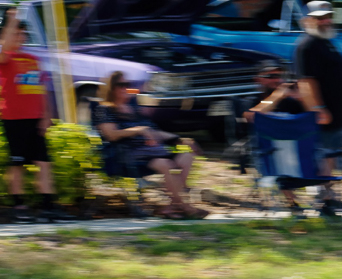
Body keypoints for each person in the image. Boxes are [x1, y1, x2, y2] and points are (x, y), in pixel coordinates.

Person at [91, 70, 205, 218]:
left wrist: (180, 140)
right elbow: (111, 135)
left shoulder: (134, 109)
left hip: (151, 151)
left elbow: (153, 132)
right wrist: (138, 130)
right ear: (111, 88)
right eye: (121, 85)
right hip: (127, 154)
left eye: (127, 84)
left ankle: (171, 206)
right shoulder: (103, 110)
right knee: (166, 164)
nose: (126, 88)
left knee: (186, 157)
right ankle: (185, 207)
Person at [0, 11, 67, 222]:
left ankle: (48, 206)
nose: (21, 37)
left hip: (35, 119)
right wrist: (11, 21)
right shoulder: (5, 58)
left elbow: (42, 90)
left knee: (44, 162)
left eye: (23, 33)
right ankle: (19, 206)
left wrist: (46, 116)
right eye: (16, 33)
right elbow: (3, 48)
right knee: (17, 164)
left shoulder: (33, 59)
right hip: (14, 119)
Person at [292, 0, 342, 215]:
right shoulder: (307, 45)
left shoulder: (325, 42)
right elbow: (306, 81)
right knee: (324, 155)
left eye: (328, 17)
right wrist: (317, 108)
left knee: (332, 156)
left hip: (338, 113)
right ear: (307, 20)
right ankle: (323, 200)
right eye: (320, 18)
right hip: (324, 113)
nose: (326, 21)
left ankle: (329, 197)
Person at [241, 61, 312, 214]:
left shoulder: (291, 102)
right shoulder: (251, 100)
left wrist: (303, 97)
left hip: (296, 152)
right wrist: (277, 96)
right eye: (271, 76)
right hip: (268, 152)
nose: (277, 80)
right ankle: (294, 202)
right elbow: (251, 116)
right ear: (258, 79)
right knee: (277, 160)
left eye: (280, 76)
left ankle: (326, 200)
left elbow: (316, 119)